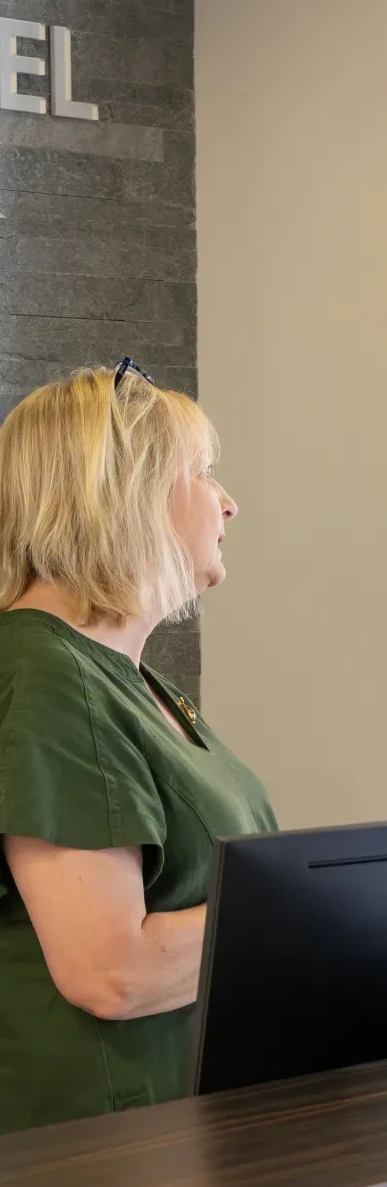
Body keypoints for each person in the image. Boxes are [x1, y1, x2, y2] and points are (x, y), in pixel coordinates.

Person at [0, 362, 276, 1135]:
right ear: (128, 494)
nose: (229, 503)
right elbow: (110, 972)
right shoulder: (45, 674)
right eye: (203, 473)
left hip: (183, 1121)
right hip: (99, 1149)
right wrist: (320, 914)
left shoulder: (126, 680)